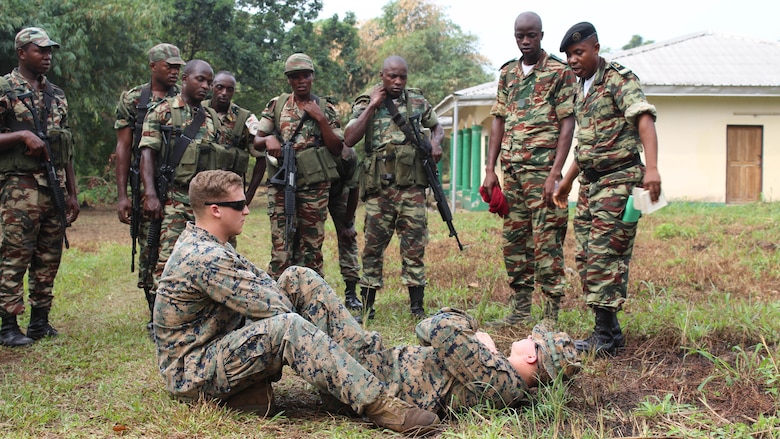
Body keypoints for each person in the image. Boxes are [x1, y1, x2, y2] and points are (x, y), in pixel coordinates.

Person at [153, 169, 440, 435]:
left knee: (298, 278)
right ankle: (379, 405)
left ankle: (370, 369)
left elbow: (264, 287)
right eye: (239, 204)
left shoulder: (212, 244)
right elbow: (273, 308)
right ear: (215, 210)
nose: (247, 210)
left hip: (217, 347)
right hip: (193, 373)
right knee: (287, 327)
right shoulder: (205, 257)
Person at [554, 22, 662, 356]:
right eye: (570, 55)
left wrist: (654, 168)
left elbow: (644, 120)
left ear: (596, 48)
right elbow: (586, 144)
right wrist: (568, 179)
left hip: (619, 179)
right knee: (586, 255)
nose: (573, 60)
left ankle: (603, 335)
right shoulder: (580, 87)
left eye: (579, 52)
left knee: (605, 253)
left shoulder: (618, 79)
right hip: (591, 182)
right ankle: (611, 333)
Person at [481, 12, 576, 327]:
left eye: (531, 35)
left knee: (548, 240)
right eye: (520, 35)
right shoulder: (508, 73)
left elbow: (567, 123)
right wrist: (490, 168)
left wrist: (555, 173)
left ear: (541, 35)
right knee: (515, 241)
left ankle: (550, 316)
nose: (525, 41)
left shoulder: (559, 73)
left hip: (543, 174)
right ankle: (520, 311)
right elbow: (498, 119)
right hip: (512, 174)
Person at [343, 55, 444, 320]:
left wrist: (436, 143)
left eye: (402, 77)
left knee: (414, 246)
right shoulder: (366, 102)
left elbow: (437, 127)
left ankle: (416, 308)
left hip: (411, 189)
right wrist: (373, 106)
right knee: (372, 248)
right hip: (379, 190)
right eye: (392, 76)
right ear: (382, 75)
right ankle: (366, 308)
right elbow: (350, 138)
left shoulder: (417, 101)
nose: (398, 82)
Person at [139, 60, 250, 292]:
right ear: (185, 79)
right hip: (173, 197)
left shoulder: (211, 118)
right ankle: (160, 314)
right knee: (167, 258)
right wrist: (150, 193)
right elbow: (147, 153)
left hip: (207, 202)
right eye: (200, 79)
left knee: (218, 256)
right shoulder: (162, 111)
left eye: (209, 82)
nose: (205, 86)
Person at [0, 27, 80, 347]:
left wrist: (73, 192)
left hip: (54, 187)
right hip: (19, 187)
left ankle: (40, 321)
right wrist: (20, 136)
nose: (47, 56)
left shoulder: (56, 94)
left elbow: (67, 148)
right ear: (22, 52)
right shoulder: (5, 87)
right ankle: (7, 325)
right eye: (40, 50)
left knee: (49, 255)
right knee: (15, 254)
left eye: (50, 51)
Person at [252, 53, 344, 279]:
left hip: (315, 187)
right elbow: (257, 139)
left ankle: (312, 301)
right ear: (288, 80)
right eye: (295, 77)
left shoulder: (326, 107)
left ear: (312, 76)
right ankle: (278, 304)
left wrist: (321, 119)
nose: (301, 80)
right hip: (282, 184)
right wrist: (267, 140)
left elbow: (337, 148)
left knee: (311, 250)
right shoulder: (277, 104)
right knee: (281, 250)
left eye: (305, 75)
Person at [114, 43, 185, 333]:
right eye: (170, 66)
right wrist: (122, 196)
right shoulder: (134, 99)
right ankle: (153, 309)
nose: (175, 72)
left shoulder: (183, 99)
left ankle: (172, 311)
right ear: (153, 66)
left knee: (174, 247)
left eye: (178, 67)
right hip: (144, 185)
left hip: (176, 184)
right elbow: (123, 147)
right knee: (149, 246)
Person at [203, 70, 265, 207]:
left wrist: (249, 195)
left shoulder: (244, 118)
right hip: (198, 189)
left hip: (228, 192)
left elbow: (261, 157)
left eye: (229, 89)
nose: (224, 93)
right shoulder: (196, 110)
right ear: (212, 86)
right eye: (220, 87)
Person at [327, 146, 363, 311]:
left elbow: (354, 188)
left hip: (339, 191)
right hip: (308, 192)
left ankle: (351, 293)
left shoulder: (347, 155)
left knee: (348, 238)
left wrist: (348, 223)